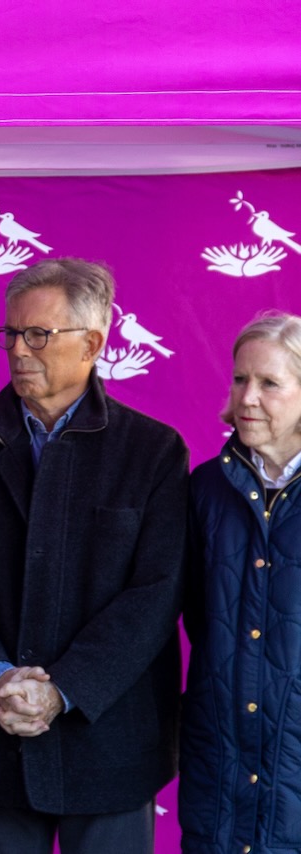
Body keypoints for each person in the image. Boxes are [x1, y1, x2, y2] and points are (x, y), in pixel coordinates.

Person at [0, 258, 188, 854]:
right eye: (10, 333)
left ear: (93, 345)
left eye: (38, 334)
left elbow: (155, 595)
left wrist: (62, 689)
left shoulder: (153, 452)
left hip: (112, 747)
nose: (18, 350)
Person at [180, 311, 301, 854]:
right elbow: (192, 617)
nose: (247, 397)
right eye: (240, 379)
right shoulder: (205, 489)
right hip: (220, 773)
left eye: (270, 383)